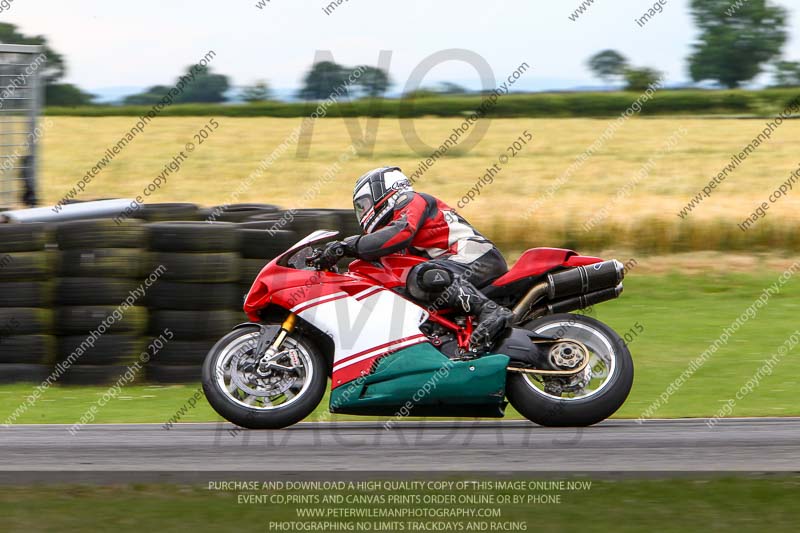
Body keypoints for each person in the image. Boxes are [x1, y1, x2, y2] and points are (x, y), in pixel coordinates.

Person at [321, 166, 514, 350]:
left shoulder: (411, 200)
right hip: (453, 265)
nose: (362, 213)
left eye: (363, 205)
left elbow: (402, 232)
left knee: (423, 275)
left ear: (382, 191)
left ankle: (490, 311)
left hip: (477, 256)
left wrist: (347, 246)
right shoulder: (394, 224)